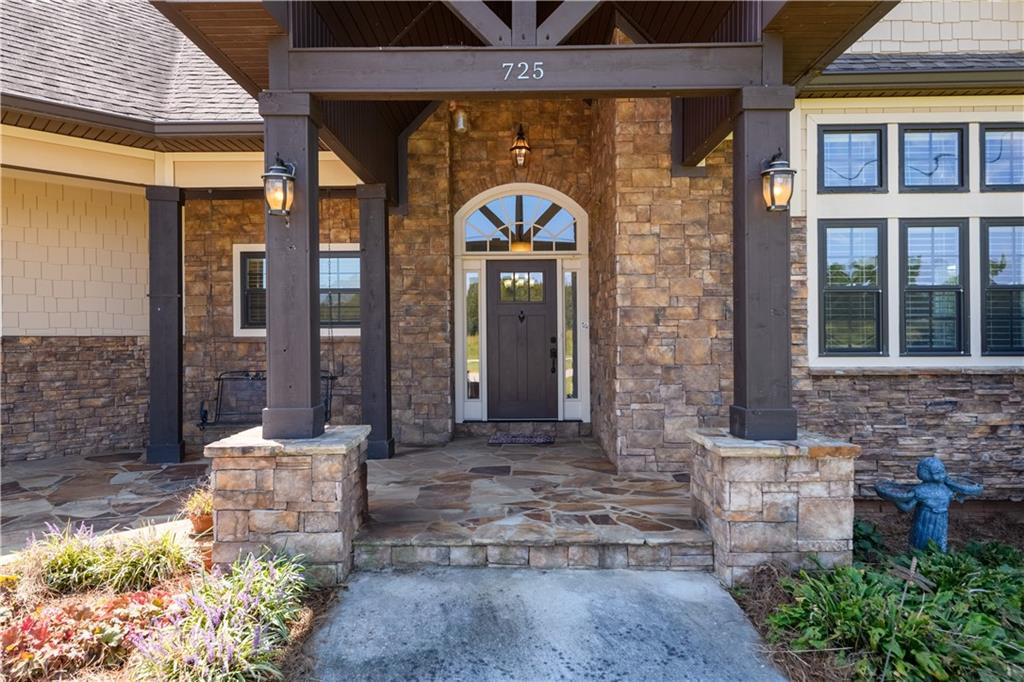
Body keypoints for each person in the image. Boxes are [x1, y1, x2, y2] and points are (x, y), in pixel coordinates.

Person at [874, 457, 983, 552]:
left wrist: (964, 493)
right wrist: (895, 498)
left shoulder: (946, 488)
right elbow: (907, 508)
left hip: (941, 521)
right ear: (925, 474)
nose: (941, 476)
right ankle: (918, 560)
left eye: (942, 472)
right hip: (924, 522)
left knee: (940, 540)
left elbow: (959, 497)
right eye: (937, 473)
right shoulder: (920, 491)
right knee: (921, 540)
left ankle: (937, 559)